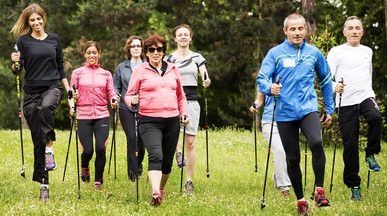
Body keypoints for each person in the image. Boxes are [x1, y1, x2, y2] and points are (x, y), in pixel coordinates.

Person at [257, 13, 334, 215]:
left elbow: (326, 80)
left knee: (316, 142)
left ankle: (319, 190)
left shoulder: (314, 53)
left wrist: (330, 108)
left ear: (305, 30)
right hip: (284, 112)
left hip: (308, 108)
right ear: (285, 31)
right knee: (292, 158)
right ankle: (301, 201)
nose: (297, 32)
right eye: (293, 29)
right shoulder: (275, 53)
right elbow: (262, 78)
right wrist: (269, 88)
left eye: (300, 28)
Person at [10, 3, 70, 201]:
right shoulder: (23, 41)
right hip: (31, 92)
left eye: (38, 19)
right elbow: (18, 69)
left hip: (52, 87)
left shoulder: (54, 39)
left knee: (46, 109)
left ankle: (50, 149)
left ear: (44, 18)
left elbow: (60, 66)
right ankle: (44, 184)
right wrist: (15, 62)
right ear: (28, 22)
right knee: (38, 139)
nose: (36, 22)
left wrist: (68, 89)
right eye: (32, 20)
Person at [124, 33, 189, 206]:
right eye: (151, 50)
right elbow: (128, 95)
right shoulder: (140, 71)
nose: (155, 53)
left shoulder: (173, 69)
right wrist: (132, 101)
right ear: (146, 52)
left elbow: (181, 96)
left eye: (159, 49)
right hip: (149, 120)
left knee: (167, 163)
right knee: (156, 155)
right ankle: (154, 193)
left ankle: (160, 189)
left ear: (163, 51)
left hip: (172, 120)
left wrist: (184, 114)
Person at [327, 16, 382, 201]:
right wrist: (336, 87)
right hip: (345, 101)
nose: (354, 31)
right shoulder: (336, 51)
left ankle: (371, 154)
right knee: (350, 145)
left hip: (365, 96)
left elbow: (368, 76)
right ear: (345, 32)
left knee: (375, 117)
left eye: (357, 28)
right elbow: (327, 77)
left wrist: (371, 93)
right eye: (350, 28)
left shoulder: (367, 51)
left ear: (362, 32)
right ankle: (354, 185)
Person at [164, 24, 211, 193]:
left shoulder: (197, 57)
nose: (183, 37)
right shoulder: (168, 59)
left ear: (190, 38)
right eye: (180, 35)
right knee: (170, 135)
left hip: (191, 100)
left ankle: (189, 180)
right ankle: (177, 152)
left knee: (190, 143)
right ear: (175, 38)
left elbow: (204, 74)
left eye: (186, 34)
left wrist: (206, 81)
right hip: (171, 100)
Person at [69, 41, 118, 191]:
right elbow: (71, 93)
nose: (92, 55)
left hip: (102, 114)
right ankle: (85, 166)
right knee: (88, 150)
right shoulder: (77, 73)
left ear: (99, 54)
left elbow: (111, 92)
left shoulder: (106, 74)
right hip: (83, 115)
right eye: (89, 53)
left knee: (101, 148)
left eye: (94, 52)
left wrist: (114, 100)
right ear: (85, 54)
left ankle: (98, 180)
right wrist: (72, 106)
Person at [113, 36, 146, 182]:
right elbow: (115, 86)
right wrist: (116, 96)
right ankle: (132, 173)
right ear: (129, 49)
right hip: (126, 107)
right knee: (132, 138)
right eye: (133, 46)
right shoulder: (122, 67)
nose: (136, 48)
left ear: (142, 48)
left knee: (143, 139)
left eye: (138, 46)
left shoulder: (148, 65)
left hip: (145, 107)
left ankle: (138, 165)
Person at [250, 91, 291, 197]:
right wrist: (255, 105)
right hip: (270, 121)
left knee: (288, 153)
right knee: (279, 150)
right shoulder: (265, 76)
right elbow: (260, 100)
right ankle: (284, 187)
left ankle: (278, 176)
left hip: (290, 119)